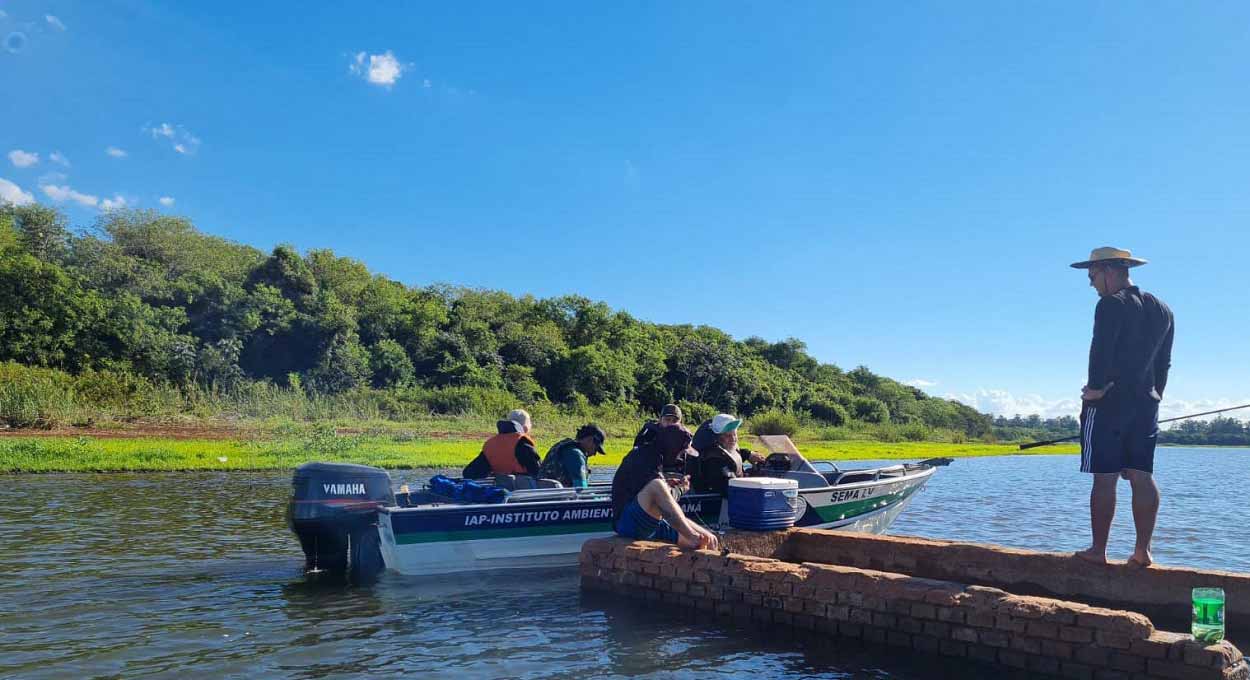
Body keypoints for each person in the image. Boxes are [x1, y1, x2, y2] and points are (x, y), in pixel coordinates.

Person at [1069, 247, 1174, 568]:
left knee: (1105, 477)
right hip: (1146, 405)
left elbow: (1099, 350)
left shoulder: (1109, 305)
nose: (1091, 284)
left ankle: (1098, 551)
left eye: (1092, 276)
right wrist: (1155, 395)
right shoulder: (1163, 309)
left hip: (1109, 405)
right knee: (1142, 475)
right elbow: (1164, 364)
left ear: (1108, 270)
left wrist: (1095, 391)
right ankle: (1143, 552)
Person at [611, 424, 719, 550]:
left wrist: (668, 487)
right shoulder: (643, 456)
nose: (681, 457)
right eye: (682, 452)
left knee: (709, 539)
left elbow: (663, 502)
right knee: (657, 485)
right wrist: (680, 489)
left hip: (650, 521)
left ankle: (696, 539)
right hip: (627, 523)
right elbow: (657, 493)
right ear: (673, 448)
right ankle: (691, 535)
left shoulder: (657, 457)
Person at [691, 413, 765, 496]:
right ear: (718, 438)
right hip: (721, 503)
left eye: (734, 434)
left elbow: (733, 454)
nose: (733, 439)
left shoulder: (726, 447)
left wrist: (749, 454)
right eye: (728, 435)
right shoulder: (714, 460)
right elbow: (729, 486)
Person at [461, 409, 542, 480]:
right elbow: (539, 472)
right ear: (525, 428)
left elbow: (469, 473)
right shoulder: (522, 442)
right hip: (524, 493)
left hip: (502, 488)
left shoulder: (491, 444)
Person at [537, 424, 607, 488]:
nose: (594, 454)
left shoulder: (562, 447)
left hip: (545, 495)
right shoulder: (576, 455)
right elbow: (581, 489)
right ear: (590, 440)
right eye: (595, 449)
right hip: (561, 499)